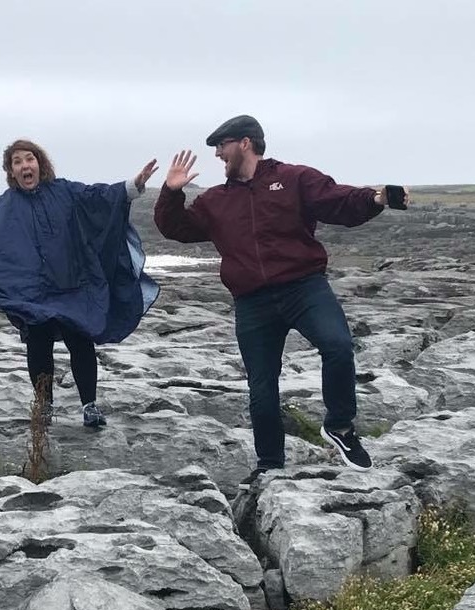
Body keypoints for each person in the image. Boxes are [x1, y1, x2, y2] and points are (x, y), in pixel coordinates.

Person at [153, 115, 409, 488]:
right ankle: (270, 464)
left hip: (303, 287)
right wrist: (171, 192)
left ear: (244, 142)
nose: (217, 154)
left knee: (337, 345)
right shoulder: (215, 201)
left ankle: (339, 427)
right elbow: (175, 229)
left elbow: (337, 201)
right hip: (252, 301)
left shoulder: (293, 178)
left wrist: (376, 197)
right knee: (261, 385)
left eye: (221, 146)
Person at [0, 139, 160, 428]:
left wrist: (133, 185)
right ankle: (44, 407)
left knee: (81, 342)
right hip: (32, 292)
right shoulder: (7, 205)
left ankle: (89, 405)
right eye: (18, 162)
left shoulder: (65, 192)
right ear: (11, 171)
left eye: (29, 159)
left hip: (73, 285)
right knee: (38, 344)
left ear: (40, 163)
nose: (25, 166)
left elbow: (100, 197)